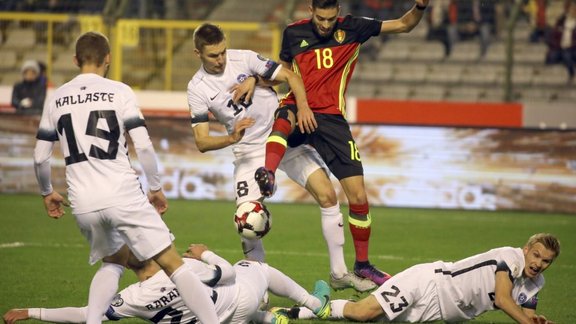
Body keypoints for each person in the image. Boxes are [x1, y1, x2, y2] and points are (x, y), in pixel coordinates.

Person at [32, 31, 218, 324]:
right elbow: (142, 145)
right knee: (174, 264)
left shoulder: (56, 98)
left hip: (83, 201)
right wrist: (155, 187)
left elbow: (40, 156)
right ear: (108, 58)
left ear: (75, 60)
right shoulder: (119, 91)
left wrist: (46, 192)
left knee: (113, 262)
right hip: (121, 193)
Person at [187, 22, 376, 292]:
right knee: (246, 220)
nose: (220, 60)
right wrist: (231, 138)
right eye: (213, 56)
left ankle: (338, 273)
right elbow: (201, 141)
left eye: (222, 52)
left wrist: (297, 105)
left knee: (328, 194)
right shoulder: (197, 88)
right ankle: (258, 289)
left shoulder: (245, 58)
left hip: (283, 140)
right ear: (198, 54)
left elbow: (291, 77)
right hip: (248, 152)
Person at [253, 0, 429, 286]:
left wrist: (420, 7)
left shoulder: (354, 27)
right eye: (321, 19)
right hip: (299, 106)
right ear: (310, 11)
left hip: (332, 120)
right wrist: (255, 81)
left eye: (331, 19)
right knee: (285, 113)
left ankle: (362, 265)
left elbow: (404, 24)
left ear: (338, 13)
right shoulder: (293, 33)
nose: (325, 25)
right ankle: (268, 174)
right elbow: (283, 73)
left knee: (358, 197)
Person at [3, 244, 331, 324]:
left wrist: (32, 311)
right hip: (236, 298)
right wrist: (207, 254)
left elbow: (87, 312)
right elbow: (227, 272)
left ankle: (270, 318)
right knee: (254, 266)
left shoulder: (132, 297)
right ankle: (314, 304)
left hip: (220, 319)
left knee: (241, 311)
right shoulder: (182, 269)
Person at [323, 233, 560, 323]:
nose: (538, 264)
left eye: (546, 261)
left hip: (440, 310)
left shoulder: (536, 283)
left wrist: (537, 320)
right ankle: (309, 305)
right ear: (526, 250)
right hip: (430, 282)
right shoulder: (511, 257)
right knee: (363, 312)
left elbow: (528, 314)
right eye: (536, 255)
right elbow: (503, 299)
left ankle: (315, 305)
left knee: (371, 320)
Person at [545, 0, 576, 83]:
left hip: (572, 47)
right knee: (551, 58)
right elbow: (554, 33)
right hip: (560, 46)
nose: (573, 11)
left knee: (567, 56)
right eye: (571, 9)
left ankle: (571, 74)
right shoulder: (562, 20)